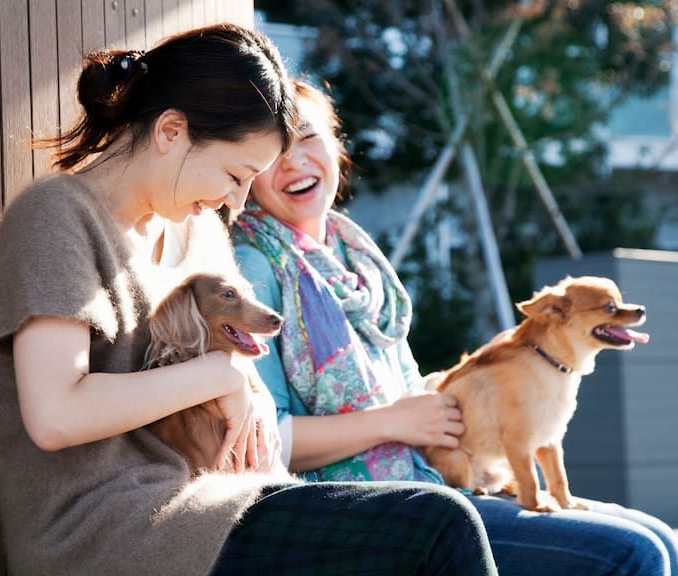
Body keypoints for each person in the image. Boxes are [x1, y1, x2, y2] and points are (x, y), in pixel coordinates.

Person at [0, 24, 498, 576]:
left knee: (433, 523)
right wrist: (218, 377)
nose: (238, 199)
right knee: (436, 524)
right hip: (109, 530)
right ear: (172, 131)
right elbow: (55, 414)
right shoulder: (57, 217)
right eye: (234, 173)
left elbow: (252, 404)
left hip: (227, 499)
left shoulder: (197, 235)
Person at [232, 77, 678, 575]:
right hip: (360, 511)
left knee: (662, 538)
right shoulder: (253, 267)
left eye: (308, 137)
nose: (295, 161)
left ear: (336, 145)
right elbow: (262, 439)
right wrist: (390, 422)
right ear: (245, 169)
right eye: (274, 150)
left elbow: (407, 394)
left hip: (432, 473)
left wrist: (492, 376)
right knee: (632, 554)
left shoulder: (354, 255)